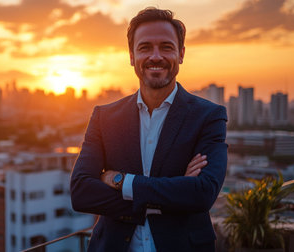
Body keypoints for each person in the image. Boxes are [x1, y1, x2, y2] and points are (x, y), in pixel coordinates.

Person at [70, 7, 227, 252]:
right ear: (132, 56)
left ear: (181, 54)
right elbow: (81, 193)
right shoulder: (104, 117)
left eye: (166, 47)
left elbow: (202, 194)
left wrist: (121, 181)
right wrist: (171, 194)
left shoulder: (208, 117)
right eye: (145, 47)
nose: (156, 56)